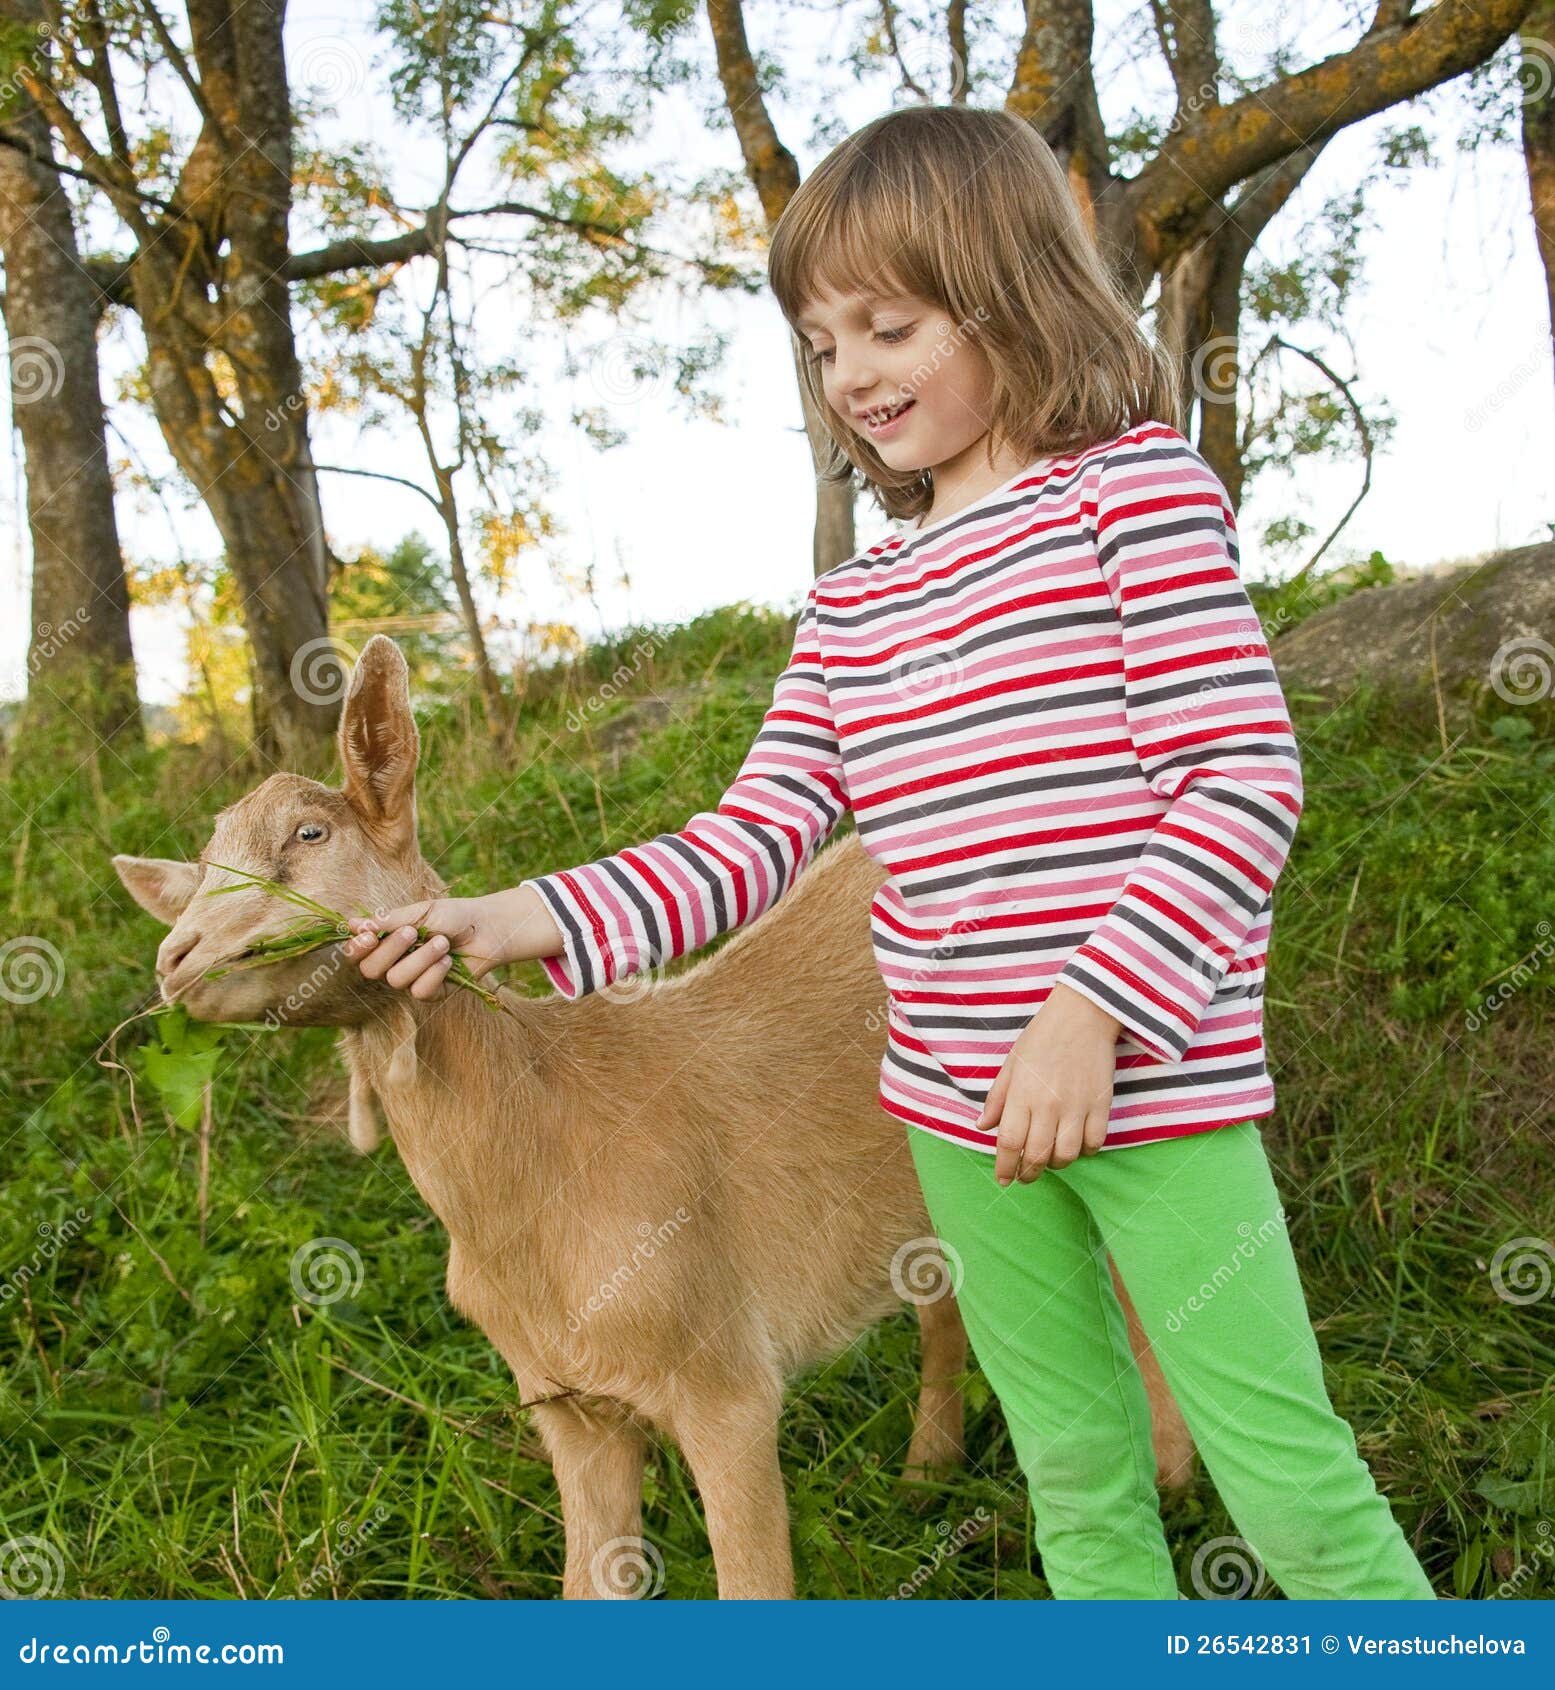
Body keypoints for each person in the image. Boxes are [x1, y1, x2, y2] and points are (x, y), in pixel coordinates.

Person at [342, 104, 1434, 1602]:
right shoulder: (856, 606)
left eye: (889, 325)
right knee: (1076, 1476)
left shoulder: (1135, 497)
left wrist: (1086, 1013)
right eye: (821, 342)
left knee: (1288, 1480)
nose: (851, 373)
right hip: (959, 1115)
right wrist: (507, 917)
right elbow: (749, 839)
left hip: (1151, 1087)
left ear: (1008, 292)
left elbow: (1240, 777)